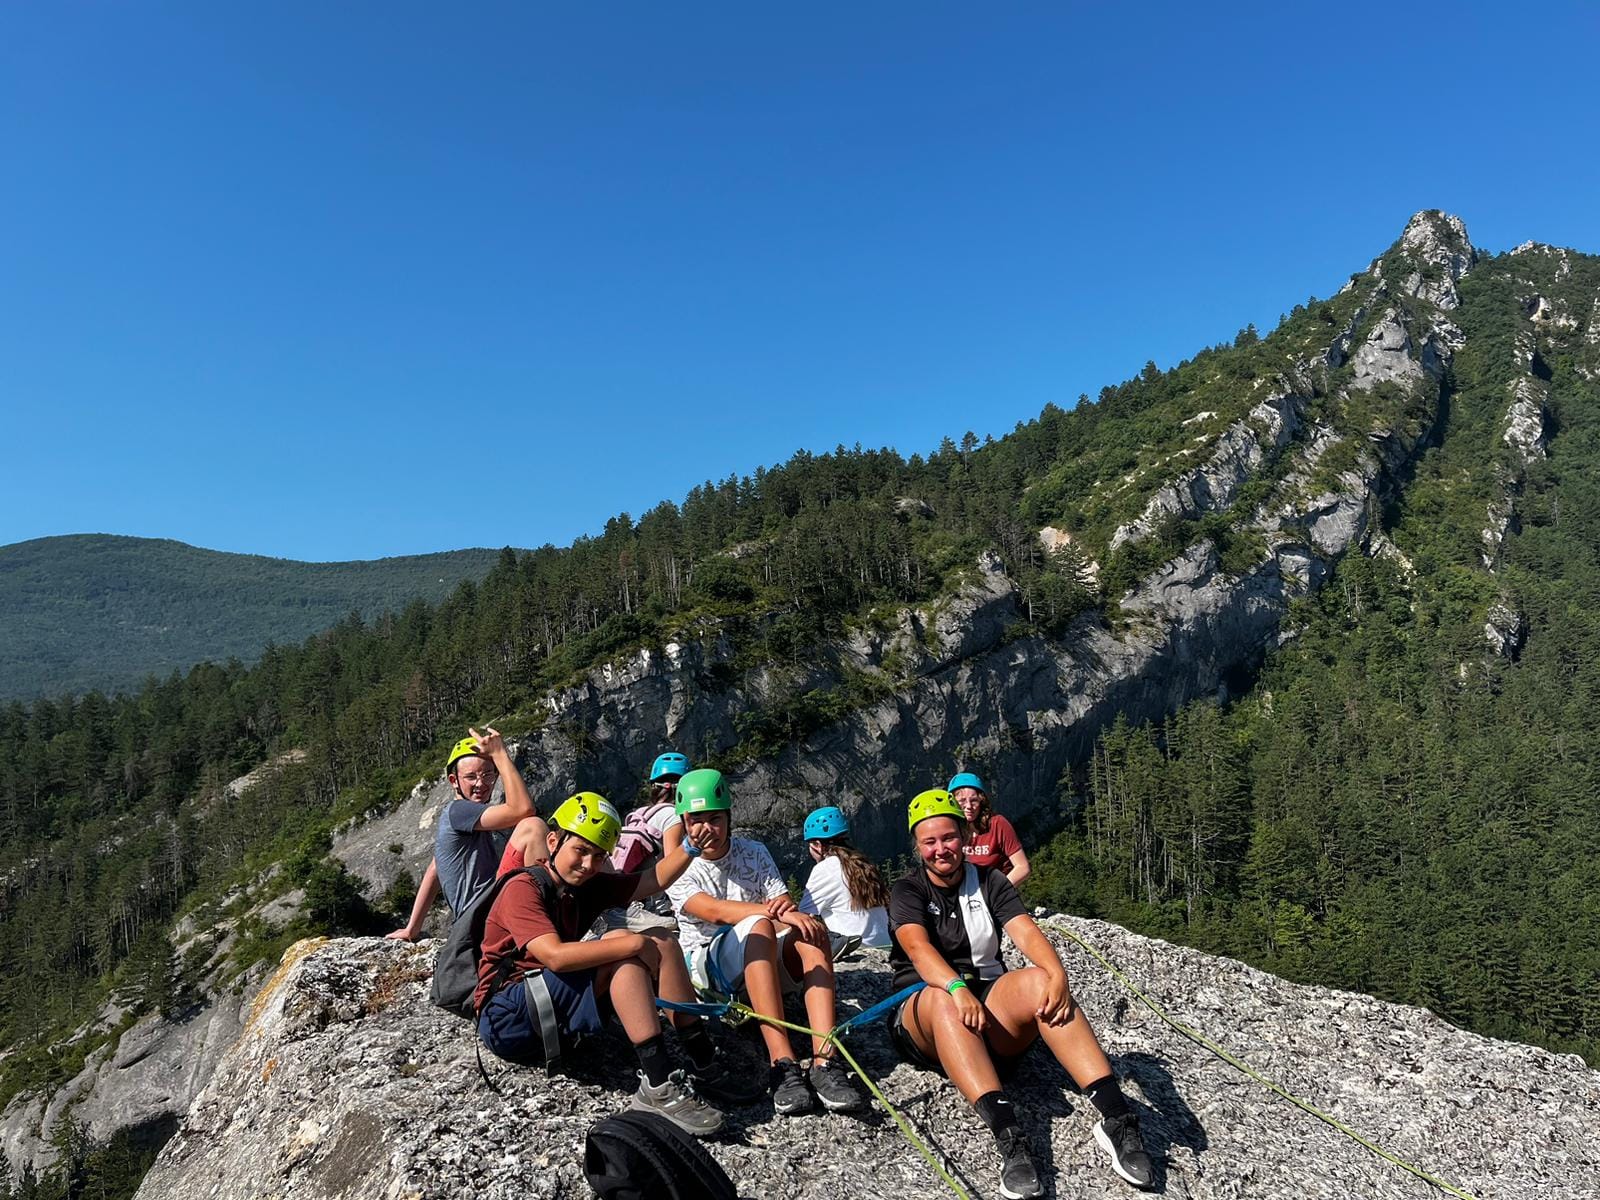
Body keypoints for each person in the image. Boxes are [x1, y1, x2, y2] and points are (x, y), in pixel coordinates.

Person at [889, 789, 1154, 1197]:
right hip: (925, 1013)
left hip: (988, 1009)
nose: (941, 849)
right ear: (917, 846)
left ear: (962, 834)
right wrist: (956, 987)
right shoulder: (909, 890)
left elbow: (1024, 930)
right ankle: (1009, 1138)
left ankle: (1117, 1116)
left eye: (948, 837)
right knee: (943, 999)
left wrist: (1056, 974)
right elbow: (917, 949)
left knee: (1038, 981)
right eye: (930, 842)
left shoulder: (990, 880)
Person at [474, 791, 730, 1136]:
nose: (588, 864)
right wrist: (633, 942)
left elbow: (653, 880)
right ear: (553, 841)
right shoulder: (523, 887)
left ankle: (701, 1057)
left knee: (664, 941)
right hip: (506, 1020)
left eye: (598, 856)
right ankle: (657, 1083)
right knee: (623, 948)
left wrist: (691, 847)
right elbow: (555, 956)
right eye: (580, 850)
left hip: (543, 1004)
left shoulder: (584, 886)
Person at [666, 769, 867, 1117]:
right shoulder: (678, 866)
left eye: (715, 819)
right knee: (759, 924)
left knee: (810, 930)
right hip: (710, 969)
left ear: (729, 818)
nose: (705, 829)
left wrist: (793, 918)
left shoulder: (754, 852)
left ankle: (824, 1059)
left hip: (759, 959)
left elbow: (783, 904)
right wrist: (776, 914)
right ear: (683, 822)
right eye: (695, 821)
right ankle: (782, 1062)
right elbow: (713, 911)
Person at [387, 728, 548, 940]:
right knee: (533, 827)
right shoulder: (459, 811)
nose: (480, 784)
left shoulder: (463, 817)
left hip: (479, 917)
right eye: (471, 777)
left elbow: (435, 868)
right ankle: (545, 921)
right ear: (454, 781)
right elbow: (524, 810)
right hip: (484, 917)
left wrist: (412, 928)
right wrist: (500, 756)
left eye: (488, 775)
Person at [797, 806, 891, 953]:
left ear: (818, 845)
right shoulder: (862, 863)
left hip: (857, 949)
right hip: (886, 946)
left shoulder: (826, 868)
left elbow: (802, 918)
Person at [949, 771, 1030, 889]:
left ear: (981, 801)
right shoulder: (951, 829)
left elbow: (1022, 867)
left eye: (974, 800)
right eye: (962, 801)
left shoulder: (997, 824)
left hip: (996, 893)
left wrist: (996, 893)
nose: (969, 806)